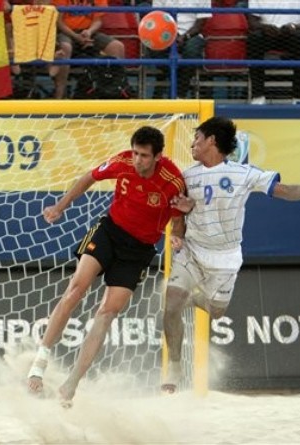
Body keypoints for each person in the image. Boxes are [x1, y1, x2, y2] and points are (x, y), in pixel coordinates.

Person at [161, 116, 300, 393]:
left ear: (212, 141)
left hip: (225, 257)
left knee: (216, 312)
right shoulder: (186, 176)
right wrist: (178, 228)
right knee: (170, 306)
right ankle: (176, 366)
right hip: (192, 251)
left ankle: (194, 300)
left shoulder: (244, 173)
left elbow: (285, 191)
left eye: (197, 138)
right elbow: (179, 214)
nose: (192, 144)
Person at [27, 126, 194, 405]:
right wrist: (60, 206)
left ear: (158, 156)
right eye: (136, 153)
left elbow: (178, 220)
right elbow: (89, 177)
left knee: (106, 313)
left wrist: (177, 236)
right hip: (110, 231)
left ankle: (70, 385)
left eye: (144, 156)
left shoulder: (172, 180)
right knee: (76, 288)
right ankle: (39, 363)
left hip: (138, 250)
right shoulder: (123, 161)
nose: (138, 160)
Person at [247, 0, 300, 104]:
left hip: (292, 33)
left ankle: (298, 96)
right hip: (267, 33)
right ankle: (258, 96)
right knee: (254, 39)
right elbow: (252, 22)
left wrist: (295, 27)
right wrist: (264, 27)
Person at [51, 0, 125, 99]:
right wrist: (76, 36)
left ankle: (114, 91)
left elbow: (98, 20)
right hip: (66, 32)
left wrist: (89, 32)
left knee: (117, 46)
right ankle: (60, 94)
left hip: (88, 32)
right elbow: (59, 22)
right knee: (65, 48)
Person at [148, 0, 211, 99]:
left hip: (192, 34)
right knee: (155, 49)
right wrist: (172, 35)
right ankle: (180, 87)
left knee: (192, 52)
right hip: (166, 33)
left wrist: (185, 37)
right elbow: (158, 17)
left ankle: (178, 93)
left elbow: (200, 23)